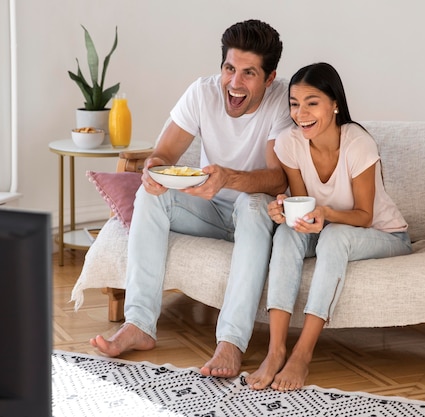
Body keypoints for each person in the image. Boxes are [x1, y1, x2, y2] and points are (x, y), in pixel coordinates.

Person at [89, 19, 293, 378]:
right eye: (230, 68)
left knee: (253, 204)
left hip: (257, 213)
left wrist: (229, 178)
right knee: (151, 196)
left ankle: (230, 343)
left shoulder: (282, 102)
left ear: (270, 77)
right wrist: (154, 170)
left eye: (248, 74)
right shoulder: (202, 93)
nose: (234, 83)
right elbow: (164, 153)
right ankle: (138, 325)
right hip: (210, 210)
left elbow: (279, 178)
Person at [246, 63, 413, 391]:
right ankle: (276, 350)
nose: (301, 113)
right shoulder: (288, 144)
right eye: (294, 103)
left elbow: (365, 215)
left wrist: (325, 213)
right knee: (287, 232)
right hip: (328, 228)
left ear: (334, 103)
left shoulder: (358, 143)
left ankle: (302, 355)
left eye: (312, 102)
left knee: (334, 237)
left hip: (384, 234)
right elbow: (302, 202)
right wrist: (283, 210)